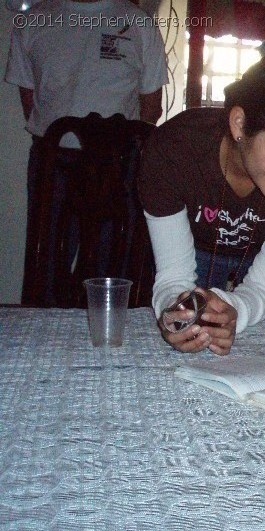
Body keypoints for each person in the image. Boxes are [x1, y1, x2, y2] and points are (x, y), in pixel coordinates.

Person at [137, 51, 265, 356]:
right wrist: (176, 312)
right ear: (239, 123)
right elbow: (174, 277)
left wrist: (236, 309)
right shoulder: (173, 151)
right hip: (198, 250)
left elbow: (263, 286)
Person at [5, 0, 169, 304]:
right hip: (53, 161)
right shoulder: (34, 21)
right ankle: (46, 336)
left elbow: (151, 107)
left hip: (119, 164)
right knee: (47, 258)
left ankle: (108, 336)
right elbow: (30, 100)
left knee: (113, 261)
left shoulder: (138, 22)